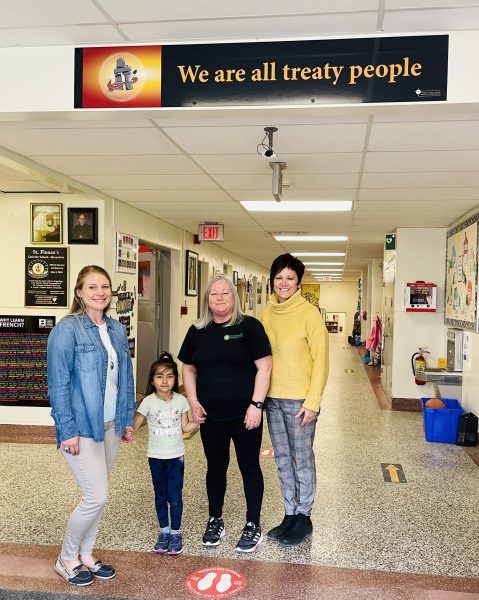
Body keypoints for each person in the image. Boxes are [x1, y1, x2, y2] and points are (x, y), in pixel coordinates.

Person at [47, 265, 135, 586]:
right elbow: (57, 385)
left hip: (111, 426)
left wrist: (126, 418)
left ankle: (86, 554)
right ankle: (66, 557)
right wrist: (66, 429)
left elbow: (125, 378)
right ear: (79, 293)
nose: (100, 292)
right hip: (81, 428)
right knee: (95, 496)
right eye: (93, 287)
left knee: (99, 493)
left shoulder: (116, 329)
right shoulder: (66, 330)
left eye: (105, 287)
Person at [178, 275, 272, 553]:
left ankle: (253, 524)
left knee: (249, 467)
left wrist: (256, 405)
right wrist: (193, 402)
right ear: (207, 299)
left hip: (246, 415)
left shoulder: (250, 327)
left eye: (225, 294)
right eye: (214, 294)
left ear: (234, 297)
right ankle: (215, 518)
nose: (219, 298)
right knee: (215, 467)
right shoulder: (197, 330)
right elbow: (188, 368)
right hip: (211, 415)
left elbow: (265, 367)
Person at [260, 254, 329, 546]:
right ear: (272, 280)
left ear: (298, 281)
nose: (283, 283)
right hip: (273, 400)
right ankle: (289, 513)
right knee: (283, 460)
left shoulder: (309, 314)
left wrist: (313, 401)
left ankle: (304, 516)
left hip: (300, 401)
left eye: (289, 278)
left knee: (302, 460)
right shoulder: (266, 313)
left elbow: (322, 361)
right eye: (279, 277)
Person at [133, 352, 198, 556]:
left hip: (176, 457)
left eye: (170, 376)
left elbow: (186, 427)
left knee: (175, 497)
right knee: (160, 495)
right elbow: (134, 426)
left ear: (175, 380)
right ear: (152, 380)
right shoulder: (148, 402)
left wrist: (199, 422)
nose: (165, 381)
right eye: (160, 376)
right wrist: (125, 432)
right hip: (155, 458)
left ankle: (176, 532)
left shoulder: (181, 401)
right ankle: (164, 532)